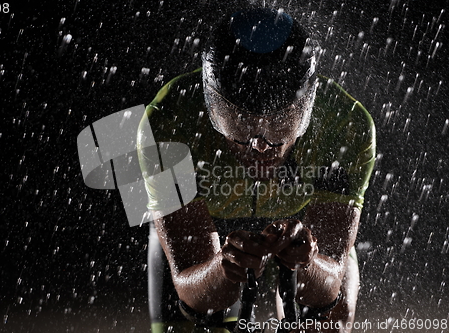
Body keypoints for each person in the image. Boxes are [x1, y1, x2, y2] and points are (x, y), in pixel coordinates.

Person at [138, 7, 376, 333]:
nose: (260, 147)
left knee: (326, 318)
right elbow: (195, 291)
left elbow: (327, 284)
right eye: (239, 125)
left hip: (299, 227)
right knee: (201, 311)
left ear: (306, 110)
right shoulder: (167, 124)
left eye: (278, 128)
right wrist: (222, 271)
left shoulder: (345, 126)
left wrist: (307, 261)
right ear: (212, 108)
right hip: (208, 223)